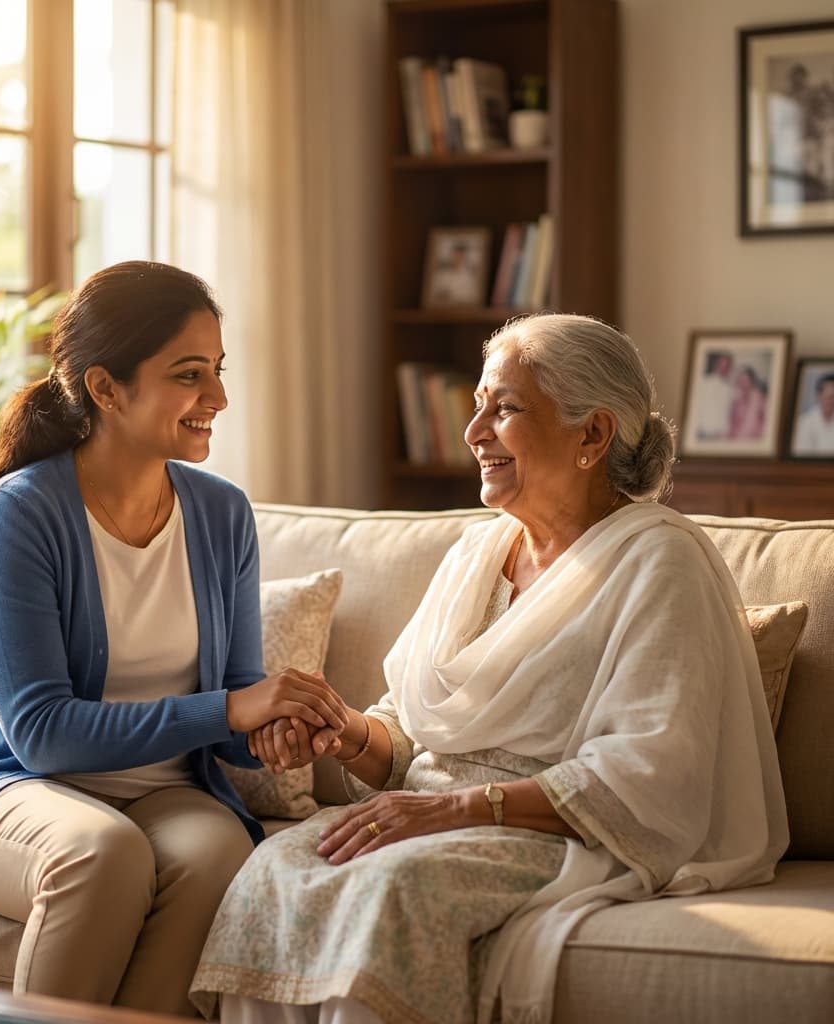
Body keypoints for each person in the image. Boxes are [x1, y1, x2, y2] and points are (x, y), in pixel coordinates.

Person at [190, 313, 789, 1024]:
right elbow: (409, 737)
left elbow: (650, 771)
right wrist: (344, 733)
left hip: (556, 833)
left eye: (503, 408)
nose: (473, 431)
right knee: (277, 866)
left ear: (591, 435)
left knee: (393, 887)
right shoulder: (475, 557)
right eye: (478, 404)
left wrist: (450, 809)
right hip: (434, 821)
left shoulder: (661, 561)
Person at [0, 260, 349, 1017]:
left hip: (167, 794)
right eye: (188, 374)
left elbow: (234, 709)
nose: (217, 398)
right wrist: (235, 710)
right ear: (105, 389)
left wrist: (275, 731)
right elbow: (43, 735)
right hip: (15, 787)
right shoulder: (21, 514)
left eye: (216, 370)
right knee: (102, 854)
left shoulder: (221, 514)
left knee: (219, 851)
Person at [695, 350, 734, 440]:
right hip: (704, 432)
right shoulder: (704, 382)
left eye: (727, 365)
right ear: (716, 364)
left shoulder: (729, 388)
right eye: (722, 364)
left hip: (721, 435)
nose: (724, 367)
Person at [792, 372, 834, 455]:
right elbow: (801, 454)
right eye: (829, 397)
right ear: (819, 395)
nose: (831, 401)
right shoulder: (804, 422)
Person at [727, 365, 768, 440]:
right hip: (738, 441)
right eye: (740, 381)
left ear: (752, 382)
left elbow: (755, 424)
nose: (742, 384)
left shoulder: (759, 398)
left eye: (745, 381)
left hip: (753, 441)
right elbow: (732, 425)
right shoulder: (737, 402)